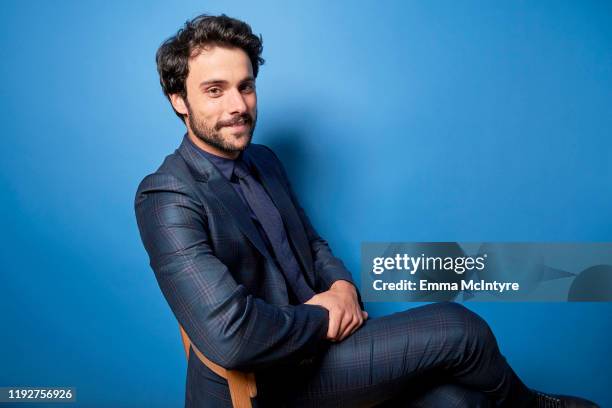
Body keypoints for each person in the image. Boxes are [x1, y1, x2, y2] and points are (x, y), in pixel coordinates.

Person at [134, 13, 598, 408]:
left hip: (325, 348)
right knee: (461, 327)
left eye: (246, 86)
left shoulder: (265, 160)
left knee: (461, 401)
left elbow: (313, 244)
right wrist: (326, 316)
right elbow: (230, 335)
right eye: (215, 91)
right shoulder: (167, 196)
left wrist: (341, 286)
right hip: (267, 382)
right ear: (179, 100)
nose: (238, 106)